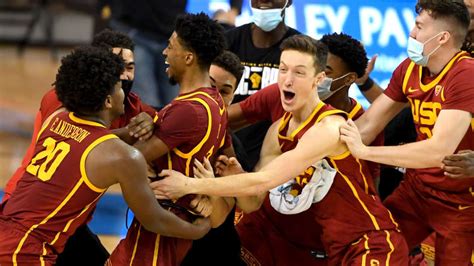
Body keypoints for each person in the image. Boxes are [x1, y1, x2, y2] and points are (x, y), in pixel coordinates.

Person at [152, 35, 409, 266]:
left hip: (370, 241)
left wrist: (188, 184)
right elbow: (253, 202)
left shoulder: (330, 127)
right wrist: (231, 176)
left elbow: (265, 179)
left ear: (319, 79)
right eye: (283, 69)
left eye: (299, 72)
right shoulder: (278, 131)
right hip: (334, 248)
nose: (287, 79)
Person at [0, 47, 211, 266]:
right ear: (108, 101)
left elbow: (92, 140)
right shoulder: (123, 157)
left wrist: (136, 129)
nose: (125, 92)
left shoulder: (56, 120)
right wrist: (198, 230)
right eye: (120, 87)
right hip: (25, 251)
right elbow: (154, 219)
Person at [339, 1, 474, 264]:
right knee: (371, 248)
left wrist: (365, 152)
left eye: (419, 26)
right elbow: (366, 127)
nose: (411, 33)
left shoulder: (466, 73)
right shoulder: (409, 68)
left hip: (462, 202)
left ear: (443, 37)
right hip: (416, 190)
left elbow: (438, 151)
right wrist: (311, 144)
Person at [107, 13, 229, 266]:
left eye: (171, 46)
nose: (164, 52)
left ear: (188, 57)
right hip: (174, 226)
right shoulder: (213, 100)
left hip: (160, 232)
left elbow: (127, 161)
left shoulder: (188, 110)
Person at [108, 0, 242, 109]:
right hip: (132, 28)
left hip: (172, 33)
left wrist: (234, 9)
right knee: (145, 104)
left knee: (176, 105)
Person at [181, 50, 245, 266]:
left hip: (215, 254)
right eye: (210, 85)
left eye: (225, 91)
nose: (215, 96)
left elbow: (218, 220)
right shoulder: (165, 124)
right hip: (166, 247)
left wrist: (212, 189)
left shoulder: (232, 149)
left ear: (233, 96)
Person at [226, 0, 300, 169]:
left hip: (278, 155)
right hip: (228, 149)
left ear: (289, 2)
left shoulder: (303, 51)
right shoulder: (227, 42)